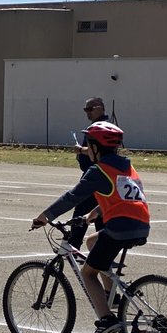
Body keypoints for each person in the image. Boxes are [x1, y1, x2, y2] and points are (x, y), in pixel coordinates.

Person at [31, 121, 150, 333]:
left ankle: (106, 320)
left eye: (89, 144)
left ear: (96, 148)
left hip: (119, 227)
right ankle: (111, 295)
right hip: (141, 225)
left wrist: (45, 216)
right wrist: (94, 213)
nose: (87, 149)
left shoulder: (99, 170)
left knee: (88, 273)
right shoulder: (127, 167)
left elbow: (72, 196)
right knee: (92, 241)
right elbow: (125, 196)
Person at [66, 97, 112, 247]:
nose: (88, 113)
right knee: (99, 214)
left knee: (81, 210)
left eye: (90, 109)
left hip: (95, 175)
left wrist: (80, 150)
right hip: (97, 174)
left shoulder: (102, 127)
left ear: (100, 108)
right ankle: (102, 246)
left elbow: (100, 149)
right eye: (86, 109)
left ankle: (73, 245)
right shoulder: (97, 126)